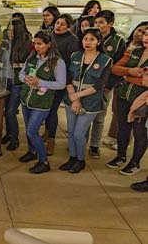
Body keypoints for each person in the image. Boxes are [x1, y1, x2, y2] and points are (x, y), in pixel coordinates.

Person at [61, 28, 112, 174]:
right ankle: (72, 157)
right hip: (71, 96)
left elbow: (100, 85)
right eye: (85, 39)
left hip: (91, 100)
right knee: (71, 131)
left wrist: (78, 97)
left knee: (79, 133)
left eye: (92, 39)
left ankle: (80, 160)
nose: (88, 42)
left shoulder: (105, 60)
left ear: (98, 42)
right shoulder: (75, 55)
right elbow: (68, 76)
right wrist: (73, 95)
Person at [18, 31, 66, 174]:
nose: (36, 47)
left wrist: (41, 82)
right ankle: (31, 151)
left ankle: (44, 161)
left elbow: (61, 84)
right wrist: (25, 79)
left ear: (49, 44)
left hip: (42, 103)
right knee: (28, 129)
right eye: (35, 43)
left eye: (40, 44)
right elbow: (21, 74)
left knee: (32, 131)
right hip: (27, 99)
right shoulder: (32, 57)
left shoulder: (57, 62)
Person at [106, 30, 148, 176]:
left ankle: (135, 162)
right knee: (123, 128)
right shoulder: (135, 50)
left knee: (139, 131)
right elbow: (115, 68)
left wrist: (129, 76)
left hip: (142, 101)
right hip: (124, 95)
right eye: (146, 34)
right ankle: (121, 156)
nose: (146, 38)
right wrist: (130, 71)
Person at [42, 14, 80, 156]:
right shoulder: (49, 35)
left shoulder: (73, 41)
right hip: (45, 78)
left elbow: (70, 64)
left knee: (52, 110)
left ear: (69, 26)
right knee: (44, 107)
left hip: (59, 81)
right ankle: (46, 131)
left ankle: (51, 139)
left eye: (63, 24)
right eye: (57, 23)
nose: (58, 26)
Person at [89, 10, 125, 157]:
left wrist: (109, 86)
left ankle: (94, 145)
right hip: (87, 84)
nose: (97, 25)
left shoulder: (118, 42)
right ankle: (80, 141)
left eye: (101, 22)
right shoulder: (90, 37)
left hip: (105, 86)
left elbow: (118, 66)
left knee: (99, 117)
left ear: (110, 24)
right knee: (84, 114)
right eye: (96, 22)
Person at [0, 18, 33, 151]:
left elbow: (30, 66)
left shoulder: (27, 45)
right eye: (7, 29)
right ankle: (9, 133)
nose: (8, 32)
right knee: (6, 111)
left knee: (11, 111)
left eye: (11, 30)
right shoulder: (5, 43)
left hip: (17, 83)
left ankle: (15, 138)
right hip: (5, 80)